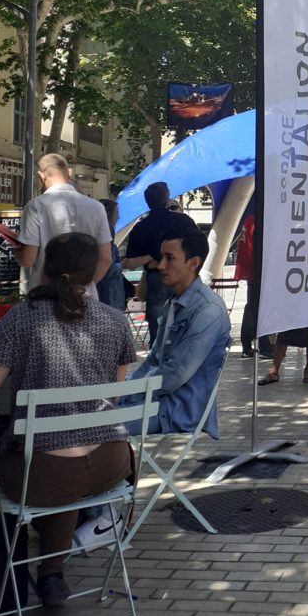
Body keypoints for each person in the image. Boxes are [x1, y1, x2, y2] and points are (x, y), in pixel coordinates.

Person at [0, 233, 136, 607]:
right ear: (93, 274)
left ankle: (16, 581)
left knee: (38, 461)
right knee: (65, 462)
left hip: (43, 472)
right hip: (110, 464)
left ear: (45, 266)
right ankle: (51, 573)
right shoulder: (115, 321)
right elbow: (117, 394)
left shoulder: (19, 320)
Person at [119, 227, 230, 437]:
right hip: (156, 404)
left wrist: (123, 395)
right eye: (161, 257)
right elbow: (153, 360)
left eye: (170, 258)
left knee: (90, 426)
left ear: (193, 263)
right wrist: (120, 392)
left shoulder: (208, 310)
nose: (160, 265)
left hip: (177, 412)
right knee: (83, 419)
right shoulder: (174, 302)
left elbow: (174, 375)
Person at [13, 154, 112, 300]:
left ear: (41, 176)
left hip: (45, 296)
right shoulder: (97, 208)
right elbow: (106, 259)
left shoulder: (36, 206)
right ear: (69, 174)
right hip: (84, 297)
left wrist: (17, 248)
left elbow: (28, 260)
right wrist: (85, 284)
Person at [122, 182, 200, 345]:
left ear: (147, 202)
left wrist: (152, 257)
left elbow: (129, 263)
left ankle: (158, 361)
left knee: (157, 331)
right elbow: (199, 246)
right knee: (185, 323)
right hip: (182, 277)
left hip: (156, 277)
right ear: (167, 201)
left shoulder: (141, 227)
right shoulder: (183, 221)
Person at [234, 213, 274, 361]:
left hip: (251, 270)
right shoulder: (262, 221)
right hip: (260, 271)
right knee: (260, 308)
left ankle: (247, 345)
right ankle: (264, 346)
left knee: (252, 306)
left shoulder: (250, 219)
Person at [96, 199, 126, 311]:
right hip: (110, 298)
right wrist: (122, 265)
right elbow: (107, 266)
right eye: (116, 214)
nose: (118, 218)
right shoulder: (105, 237)